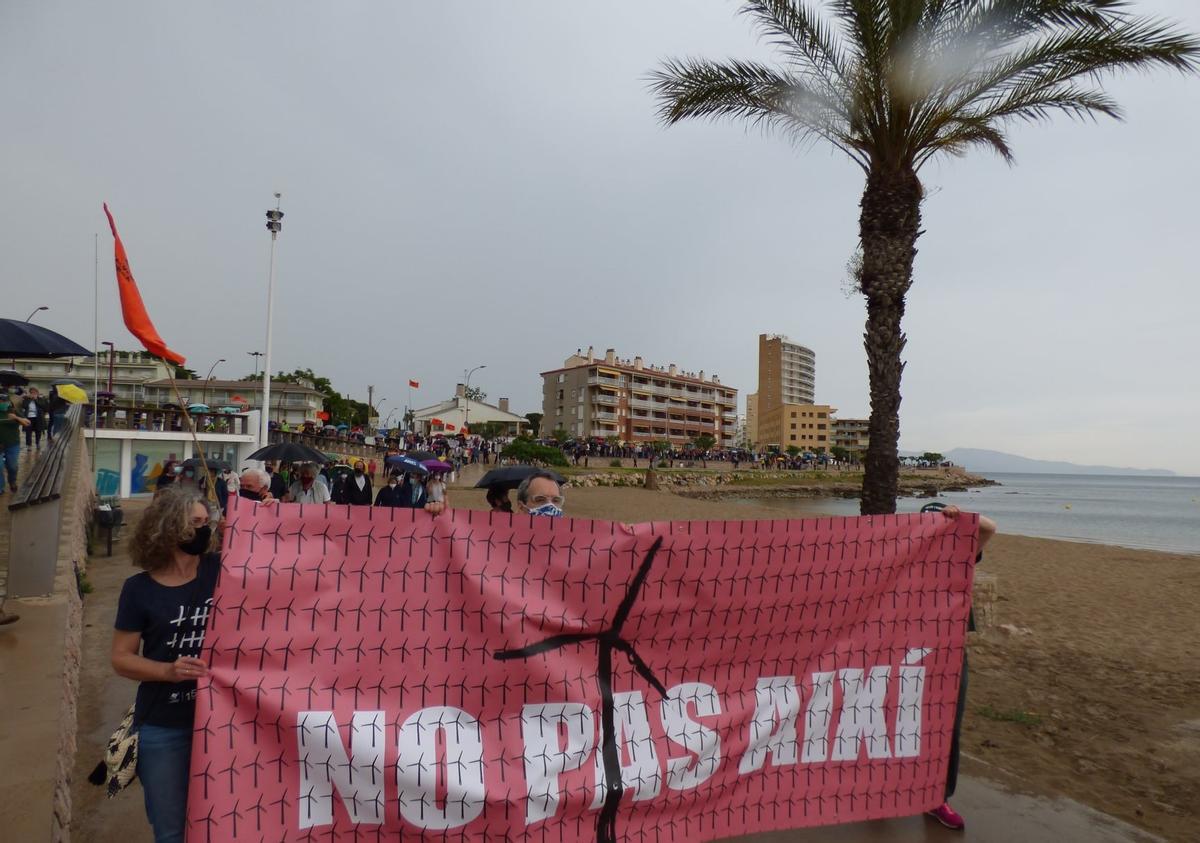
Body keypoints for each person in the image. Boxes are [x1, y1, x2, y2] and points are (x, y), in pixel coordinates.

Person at [110, 487, 220, 842]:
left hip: (224, 723)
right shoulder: (138, 590)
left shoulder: (222, 572)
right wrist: (167, 672)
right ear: (169, 528)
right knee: (171, 830)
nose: (203, 530)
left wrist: (267, 512)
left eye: (207, 522)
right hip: (163, 726)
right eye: (194, 523)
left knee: (226, 820)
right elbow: (121, 657)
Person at [922, 501, 996, 832]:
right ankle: (887, 788)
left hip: (951, 652)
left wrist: (960, 515)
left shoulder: (961, 555)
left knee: (947, 724)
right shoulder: (903, 563)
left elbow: (989, 529)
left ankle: (938, 797)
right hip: (904, 651)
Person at [0, 392, 32, 496]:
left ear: (9, 402)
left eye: (5, 401)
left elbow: (27, 423)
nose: (3, 403)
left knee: (12, 466)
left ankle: (12, 481)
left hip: (12, 443)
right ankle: (1, 487)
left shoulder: (14, 411)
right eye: (1, 401)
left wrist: (16, 418)